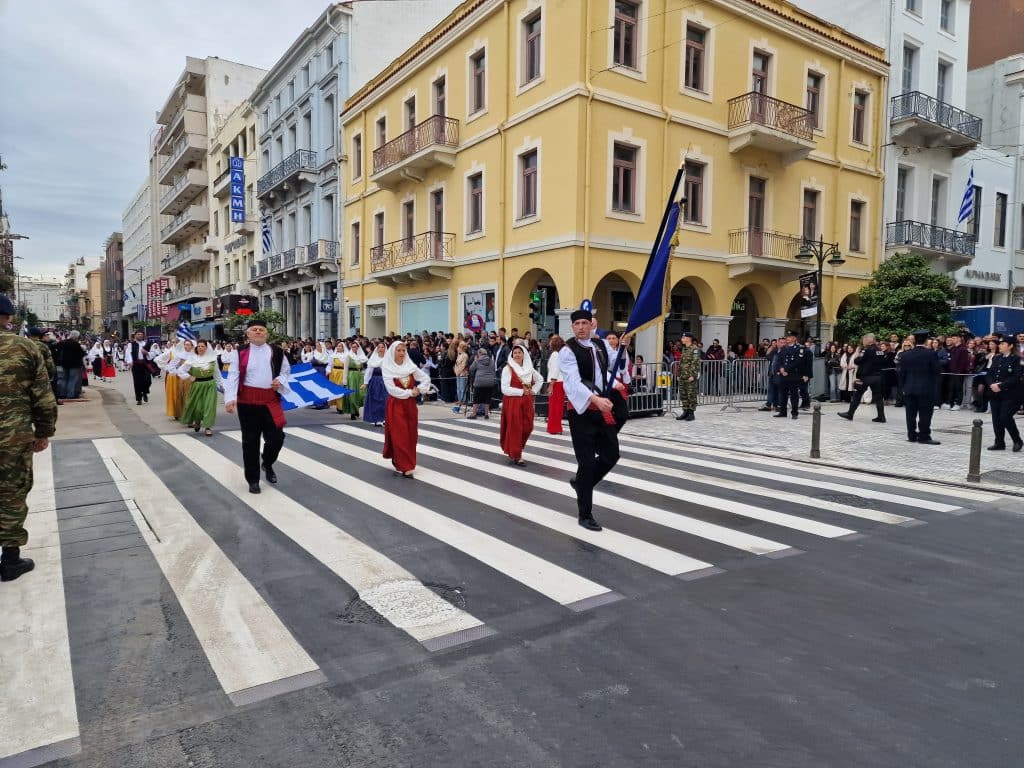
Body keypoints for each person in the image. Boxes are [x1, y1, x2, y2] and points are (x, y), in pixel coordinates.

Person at [0, 295, 58, 582]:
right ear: (8, 317)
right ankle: (10, 561)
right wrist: (44, 432)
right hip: (13, 435)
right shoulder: (26, 347)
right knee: (11, 492)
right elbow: (43, 397)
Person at [559, 308, 628, 532]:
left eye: (584, 323)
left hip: (600, 406)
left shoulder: (598, 345)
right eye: (576, 323)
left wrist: (614, 382)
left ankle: (581, 484)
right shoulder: (568, 351)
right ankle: (585, 513)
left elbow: (601, 373)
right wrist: (595, 400)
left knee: (611, 455)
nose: (580, 327)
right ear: (572, 327)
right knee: (587, 463)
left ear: (591, 325)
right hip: (581, 411)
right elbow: (573, 383)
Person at [224, 319, 291, 494]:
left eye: (261, 329)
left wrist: (280, 381)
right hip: (247, 402)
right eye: (255, 330)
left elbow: (286, 371)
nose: (258, 332)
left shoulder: (276, 352)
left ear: (266, 333)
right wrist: (230, 399)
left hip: (270, 400)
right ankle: (253, 479)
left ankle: (267, 463)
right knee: (250, 441)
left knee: (277, 437)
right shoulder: (240, 352)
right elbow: (233, 376)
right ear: (248, 334)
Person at [381, 341, 433, 477]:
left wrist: (419, 390)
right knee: (400, 434)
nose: (402, 353)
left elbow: (426, 378)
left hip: (409, 405)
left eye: (404, 350)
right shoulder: (387, 367)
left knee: (411, 435)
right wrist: (410, 393)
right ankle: (406, 466)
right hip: (395, 405)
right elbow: (391, 389)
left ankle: (402, 459)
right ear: (393, 352)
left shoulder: (410, 366)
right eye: (399, 350)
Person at [500, 342, 543, 465]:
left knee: (528, 426)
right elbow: (504, 389)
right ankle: (517, 454)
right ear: (512, 354)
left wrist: (533, 390)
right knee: (515, 428)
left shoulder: (529, 369)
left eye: (519, 352)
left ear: (524, 355)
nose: (517, 355)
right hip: (513, 401)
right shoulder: (507, 369)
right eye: (515, 353)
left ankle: (516, 448)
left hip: (527, 401)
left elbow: (540, 379)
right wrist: (521, 391)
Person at [896, 330, 941, 445]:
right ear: (926, 340)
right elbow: (936, 371)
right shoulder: (931, 354)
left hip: (909, 388)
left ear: (914, 340)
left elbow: (901, 374)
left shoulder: (906, 354)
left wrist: (902, 388)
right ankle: (924, 436)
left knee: (910, 414)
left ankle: (911, 435)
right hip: (926, 389)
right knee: (925, 414)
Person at [838, 334, 886, 423]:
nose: (863, 342)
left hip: (867, 377)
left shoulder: (867, 350)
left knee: (857, 395)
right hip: (878, 376)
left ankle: (850, 414)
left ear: (868, 340)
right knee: (878, 397)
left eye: (864, 340)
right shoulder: (880, 350)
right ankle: (881, 416)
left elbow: (857, 361)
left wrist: (858, 355)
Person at [985, 338, 1022, 452]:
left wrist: (1000, 386)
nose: (1000, 346)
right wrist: (992, 384)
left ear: (1010, 346)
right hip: (995, 393)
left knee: (1005, 417)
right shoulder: (996, 358)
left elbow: (1016, 377)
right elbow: (989, 374)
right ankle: (999, 442)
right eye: (999, 344)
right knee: (996, 419)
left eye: (1002, 344)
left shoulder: (1016, 359)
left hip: (1010, 394)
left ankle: (1017, 440)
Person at [178, 339, 219, 436]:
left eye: (203, 346)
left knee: (209, 406)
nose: (200, 348)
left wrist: (222, 386)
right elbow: (180, 370)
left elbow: (217, 374)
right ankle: (197, 422)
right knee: (198, 407)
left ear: (206, 347)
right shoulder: (192, 358)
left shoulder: (213, 359)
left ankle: (208, 427)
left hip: (210, 385)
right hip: (197, 385)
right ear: (196, 347)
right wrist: (189, 376)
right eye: (199, 346)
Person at [775, 331, 811, 419]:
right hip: (783, 375)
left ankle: (794, 412)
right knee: (783, 394)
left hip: (793, 375)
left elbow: (797, 362)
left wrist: (786, 369)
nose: (787, 338)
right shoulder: (784, 348)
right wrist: (781, 369)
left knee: (794, 395)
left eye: (790, 337)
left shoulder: (799, 348)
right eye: (787, 336)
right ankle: (783, 412)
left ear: (794, 338)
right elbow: (779, 360)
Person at [675, 332, 700, 421]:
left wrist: (693, 375)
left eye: (683, 337)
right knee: (683, 395)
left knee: (691, 395)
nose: (682, 339)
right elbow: (681, 363)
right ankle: (685, 412)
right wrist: (678, 374)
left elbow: (696, 363)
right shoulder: (684, 349)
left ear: (689, 339)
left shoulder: (695, 349)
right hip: (683, 376)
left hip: (690, 376)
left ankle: (691, 413)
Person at [362, 342, 388, 426]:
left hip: (386, 382)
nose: (381, 349)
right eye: (379, 347)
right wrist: (365, 383)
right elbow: (368, 372)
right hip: (375, 382)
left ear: (385, 349)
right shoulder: (373, 359)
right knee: (376, 401)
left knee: (385, 401)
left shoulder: (389, 359)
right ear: (377, 349)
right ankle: (377, 419)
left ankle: (384, 418)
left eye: (382, 347)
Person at [124, 330, 152, 405]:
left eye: (141, 334)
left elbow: (153, 352)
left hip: (145, 364)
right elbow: (128, 353)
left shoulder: (146, 344)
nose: (140, 335)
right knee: (137, 382)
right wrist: (130, 361)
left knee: (148, 380)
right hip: (136, 365)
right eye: (138, 334)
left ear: (143, 336)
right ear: (135, 335)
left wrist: (147, 353)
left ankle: (145, 392)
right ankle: (139, 399)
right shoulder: (131, 344)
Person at [342, 340, 368, 420]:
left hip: (360, 376)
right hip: (352, 376)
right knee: (353, 394)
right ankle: (353, 412)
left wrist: (364, 375)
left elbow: (366, 366)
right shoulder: (348, 356)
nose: (354, 348)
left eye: (356, 347)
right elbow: (345, 368)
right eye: (353, 347)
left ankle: (357, 409)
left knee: (360, 394)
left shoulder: (362, 357)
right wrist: (345, 380)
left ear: (358, 347)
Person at [546, 335, 565, 435]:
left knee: (554, 406)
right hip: (560, 382)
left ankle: (554, 428)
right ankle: (556, 426)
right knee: (558, 406)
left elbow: (554, 370)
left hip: (555, 382)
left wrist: (551, 384)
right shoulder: (560, 354)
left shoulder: (555, 354)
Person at [326, 343, 349, 414]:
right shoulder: (333, 355)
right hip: (334, 374)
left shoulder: (347, 355)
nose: (338, 347)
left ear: (343, 347)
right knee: (335, 390)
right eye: (338, 346)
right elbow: (330, 364)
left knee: (341, 389)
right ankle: (338, 406)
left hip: (342, 373)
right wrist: (328, 371)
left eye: (340, 346)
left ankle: (341, 407)